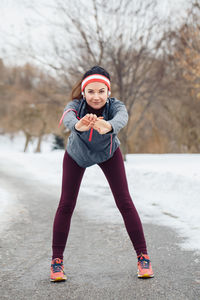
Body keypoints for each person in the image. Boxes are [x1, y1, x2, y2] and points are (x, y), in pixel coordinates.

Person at [50, 66, 154, 282]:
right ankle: (56, 262)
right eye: (91, 91)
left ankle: (143, 257)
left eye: (101, 91)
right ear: (84, 92)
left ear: (108, 92)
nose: (96, 96)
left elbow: (121, 118)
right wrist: (78, 125)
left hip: (108, 154)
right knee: (66, 204)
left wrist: (108, 126)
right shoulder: (75, 107)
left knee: (124, 202)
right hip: (77, 156)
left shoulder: (116, 106)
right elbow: (67, 117)